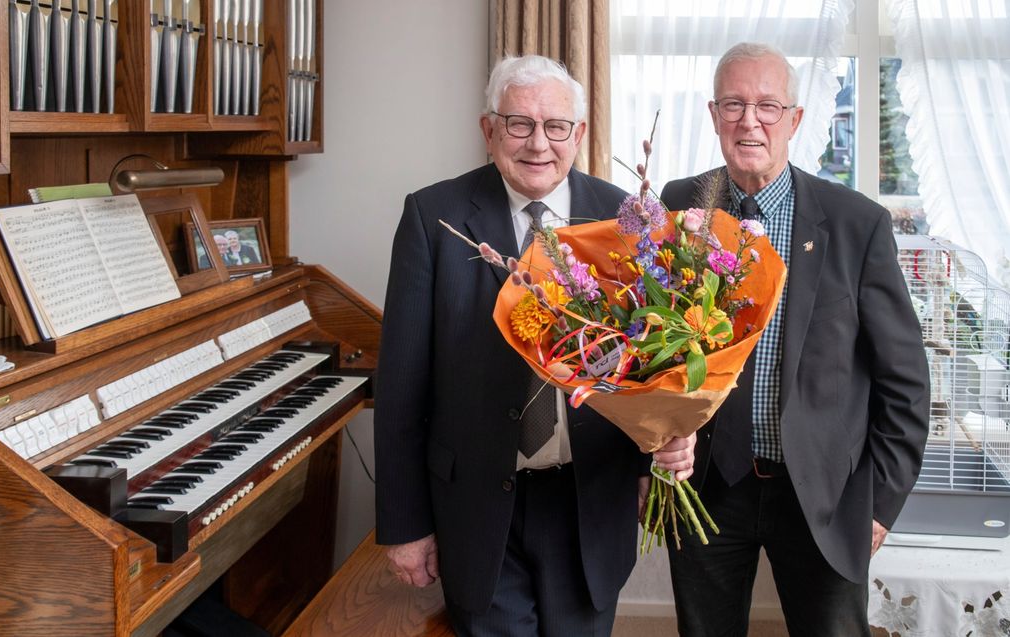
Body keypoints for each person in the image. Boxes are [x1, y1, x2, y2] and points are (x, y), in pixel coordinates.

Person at [375, 54, 695, 635]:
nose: (538, 144)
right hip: (476, 504)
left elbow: (656, 366)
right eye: (519, 123)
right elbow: (400, 384)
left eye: (556, 127)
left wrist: (667, 440)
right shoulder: (433, 216)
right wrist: (404, 524)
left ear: (580, 134)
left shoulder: (627, 218)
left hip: (591, 496)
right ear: (489, 129)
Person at [657, 42, 931, 636]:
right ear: (713, 115)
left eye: (767, 106)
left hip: (825, 497)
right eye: (733, 104)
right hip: (710, 485)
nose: (748, 120)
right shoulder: (680, 206)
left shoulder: (857, 223)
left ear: (796, 120)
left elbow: (905, 385)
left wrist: (878, 506)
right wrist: (653, 443)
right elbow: (653, 348)